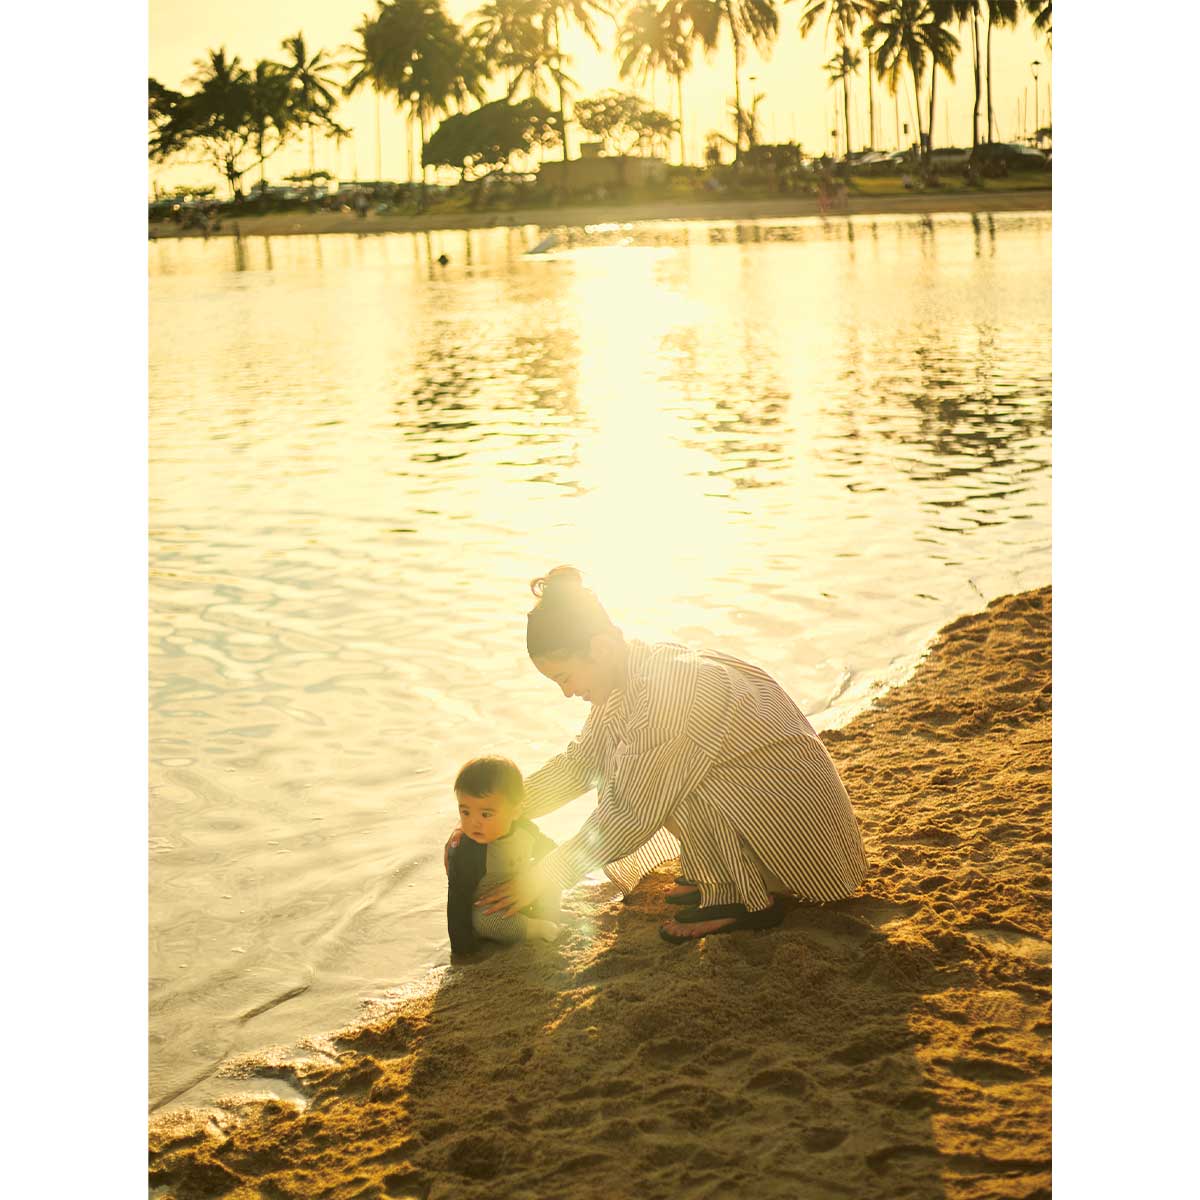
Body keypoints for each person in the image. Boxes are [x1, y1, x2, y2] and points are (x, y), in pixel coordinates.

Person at [469, 567, 870, 944]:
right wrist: (499, 810)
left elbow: (629, 811)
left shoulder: (667, 689)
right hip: (780, 815)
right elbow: (580, 763)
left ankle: (742, 897)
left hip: (805, 842)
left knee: (655, 782)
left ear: (602, 648)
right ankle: (721, 873)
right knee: (634, 767)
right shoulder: (630, 675)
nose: (567, 692)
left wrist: (542, 878)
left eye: (565, 677)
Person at [445, 755, 561, 955]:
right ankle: (534, 928)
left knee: (552, 871)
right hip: (491, 909)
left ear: (515, 811)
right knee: (482, 920)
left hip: (523, 893)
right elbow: (457, 901)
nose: (474, 823)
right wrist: (462, 950)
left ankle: (549, 915)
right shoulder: (467, 851)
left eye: (486, 814)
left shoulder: (525, 831)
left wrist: (536, 878)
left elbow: (551, 850)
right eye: (465, 812)